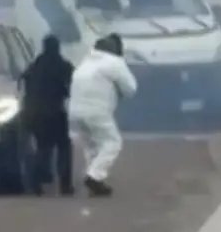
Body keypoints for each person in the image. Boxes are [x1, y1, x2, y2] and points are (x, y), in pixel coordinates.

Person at [68, 33, 137, 197]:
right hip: (97, 111)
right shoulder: (114, 62)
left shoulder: (85, 62)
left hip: (75, 112)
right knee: (113, 142)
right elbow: (131, 89)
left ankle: (94, 180)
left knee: (92, 146)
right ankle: (94, 177)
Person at [21, 34, 75, 196]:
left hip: (33, 113)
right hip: (55, 112)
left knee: (43, 148)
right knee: (64, 147)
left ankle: (35, 182)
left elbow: (25, 85)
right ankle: (65, 185)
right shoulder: (63, 66)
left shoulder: (34, 66)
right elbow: (71, 87)